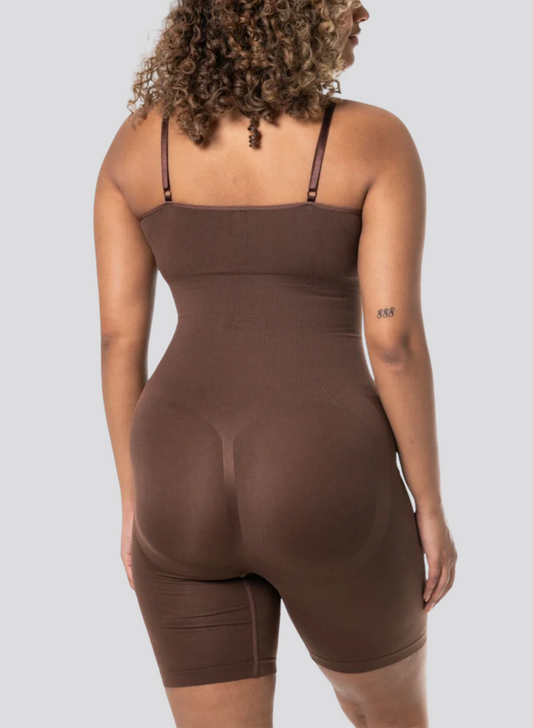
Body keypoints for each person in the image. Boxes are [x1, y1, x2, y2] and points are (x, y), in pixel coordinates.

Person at [94, 1, 458, 726]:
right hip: (321, 463)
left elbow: (117, 340)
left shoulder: (137, 144)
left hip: (174, 468)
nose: (361, 9)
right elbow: (393, 343)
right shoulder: (373, 140)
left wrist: (136, 499)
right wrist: (429, 505)